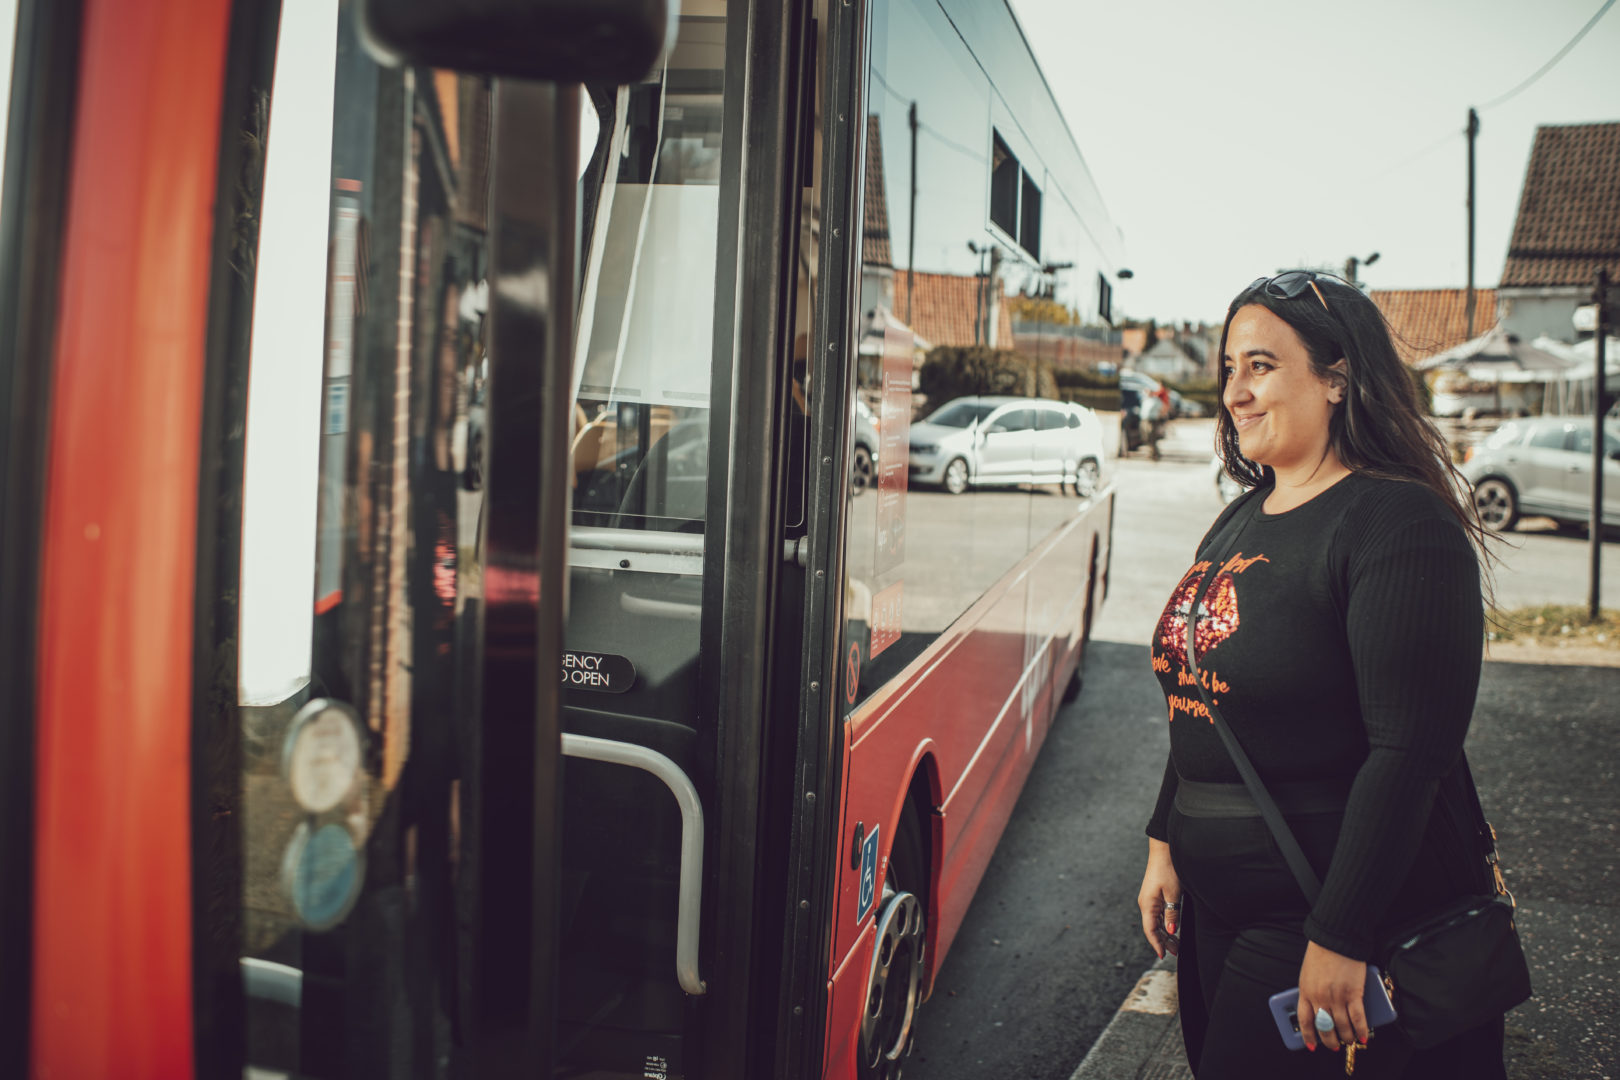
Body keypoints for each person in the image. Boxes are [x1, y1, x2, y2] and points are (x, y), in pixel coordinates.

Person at [1135, 271, 1507, 1078]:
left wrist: (1340, 931)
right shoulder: (1241, 515)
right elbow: (1202, 693)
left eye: (1261, 365)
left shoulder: (1398, 524)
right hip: (1217, 907)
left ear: (1337, 379)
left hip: (1315, 902)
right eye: (1229, 366)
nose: (1235, 391)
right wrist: (1165, 840)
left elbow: (1410, 753)